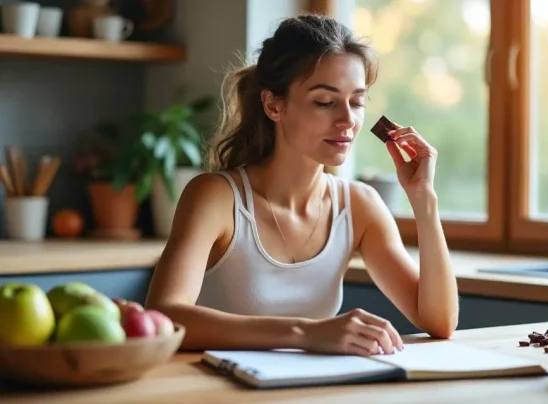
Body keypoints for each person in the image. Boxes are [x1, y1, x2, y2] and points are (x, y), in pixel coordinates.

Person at [144, 14, 459, 356]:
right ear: (273, 105)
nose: (347, 120)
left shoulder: (359, 205)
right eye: (325, 102)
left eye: (357, 101)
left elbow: (439, 322)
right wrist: (305, 333)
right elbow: (164, 316)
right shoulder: (215, 197)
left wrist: (424, 200)